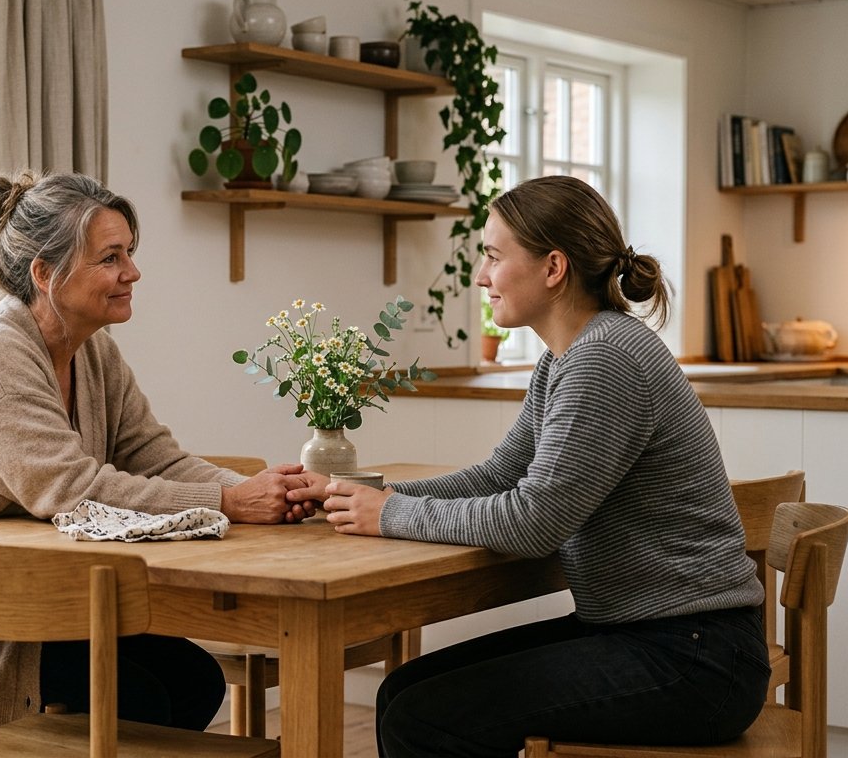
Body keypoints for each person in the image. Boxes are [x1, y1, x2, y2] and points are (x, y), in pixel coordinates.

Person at [289, 175, 771, 757]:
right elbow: (499, 478)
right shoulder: (567, 359)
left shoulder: (604, 362)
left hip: (693, 659)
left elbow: (531, 522)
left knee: (422, 717)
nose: (482, 276)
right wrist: (368, 494)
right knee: (402, 695)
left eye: (493, 256)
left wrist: (390, 513)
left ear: (553, 268)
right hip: (658, 638)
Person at [0, 170, 314, 734]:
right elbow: (71, 492)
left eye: (130, 253)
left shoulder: (95, 355)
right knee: (143, 701)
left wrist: (255, 491)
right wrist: (228, 501)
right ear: (46, 274)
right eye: (111, 257)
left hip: (39, 600)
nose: (132, 272)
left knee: (196, 681)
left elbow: (156, 456)